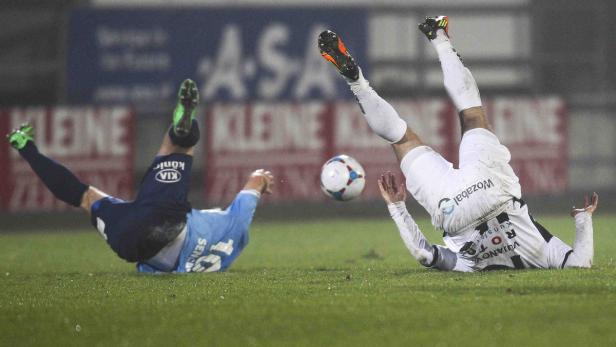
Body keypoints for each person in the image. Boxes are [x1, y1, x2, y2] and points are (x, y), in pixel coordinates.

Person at [319, 16, 598, 271]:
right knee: (399, 139)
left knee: (471, 114)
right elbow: (423, 254)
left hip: (495, 191)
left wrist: (584, 218)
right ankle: (356, 83)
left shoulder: (545, 254)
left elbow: (580, 262)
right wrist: (396, 206)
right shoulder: (471, 266)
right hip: (451, 208)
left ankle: (439, 36)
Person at [7, 79, 274, 273]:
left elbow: (256, 180)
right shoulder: (227, 247)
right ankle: (24, 147)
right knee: (85, 198)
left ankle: (184, 125)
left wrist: (262, 180)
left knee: (181, 146)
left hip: (167, 220)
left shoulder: (235, 223)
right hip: (131, 240)